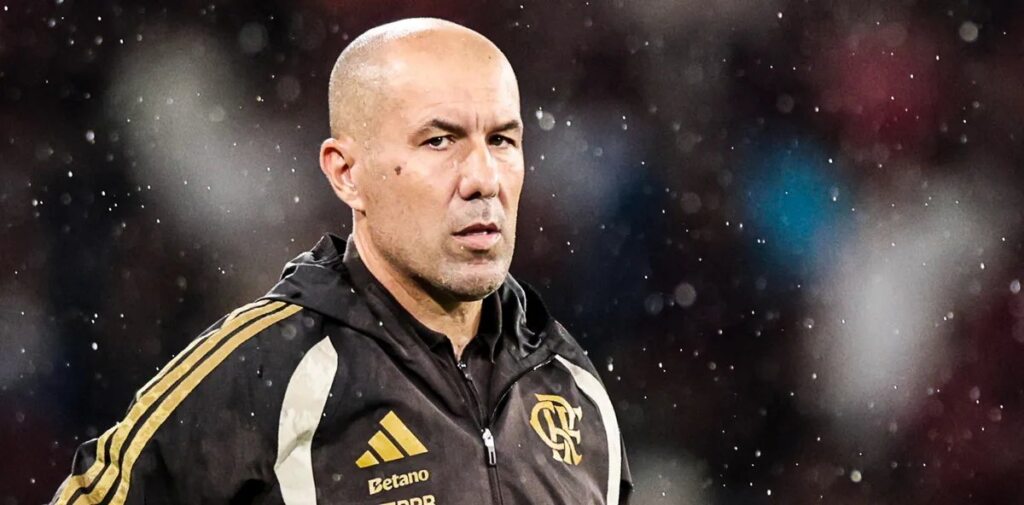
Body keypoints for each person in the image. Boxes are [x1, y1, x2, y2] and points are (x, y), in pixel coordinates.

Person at [50, 17, 632, 505]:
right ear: (347, 173)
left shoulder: (573, 387)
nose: (483, 178)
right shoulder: (263, 377)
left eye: (502, 140)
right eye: (439, 141)